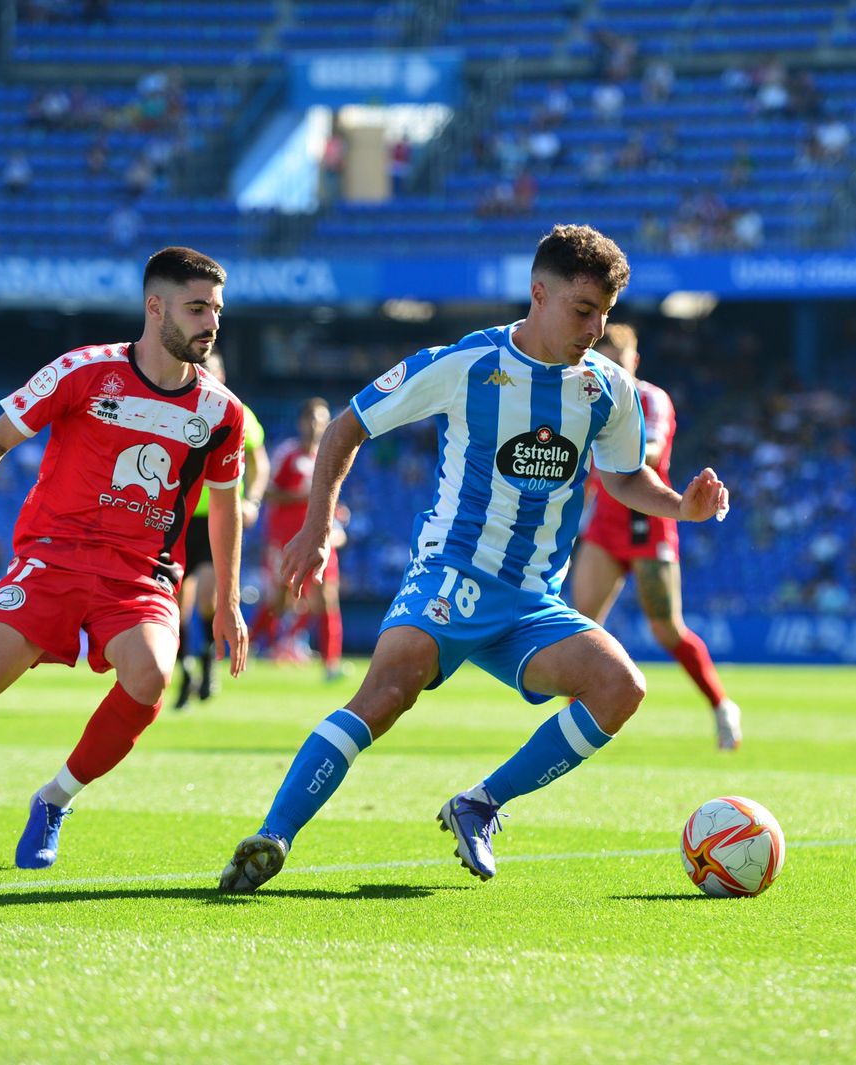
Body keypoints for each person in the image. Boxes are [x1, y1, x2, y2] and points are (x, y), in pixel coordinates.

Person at [219, 225, 730, 893]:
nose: (596, 327)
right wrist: (316, 528)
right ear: (538, 294)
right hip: (451, 573)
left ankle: (481, 804)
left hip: (530, 601)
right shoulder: (465, 363)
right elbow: (348, 425)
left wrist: (680, 506)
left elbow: (624, 474)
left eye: (605, 313)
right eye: (582, 310)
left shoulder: (608, 389)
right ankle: (273, 836)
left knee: (621, 687)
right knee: (385, 695)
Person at [0, 246, 249, 870]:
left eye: (217, 311)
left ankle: (55, 799)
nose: (211, 323)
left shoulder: (223, 413)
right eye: (197, 308)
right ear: (155, 307)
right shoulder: (82, 371)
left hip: (140, 577)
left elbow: (225, 510)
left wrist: (227, 602)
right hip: (53, 561)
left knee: (150, 678)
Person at [572, 323, 742, 749]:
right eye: (603, 360)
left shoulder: (651, 398)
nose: (611, 367)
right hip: (606, 525)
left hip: (648, 522)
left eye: (618, 359)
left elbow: (648, 451)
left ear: (635, 361)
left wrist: (604, 452)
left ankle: (722, 706)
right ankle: (573, 727)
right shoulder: (585, 395)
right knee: (579, 625)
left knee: (667, 629)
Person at [172, 351, 269, 709]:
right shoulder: (178, 409)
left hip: (219, 519)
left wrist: (253, 501)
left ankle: (209, 661)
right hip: (179, 521)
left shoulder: (240, 414)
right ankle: (184, 670)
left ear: (222, 374)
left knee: (208, 600)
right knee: (177, 603)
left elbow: (260, 463)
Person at [248, 398, 350, 681]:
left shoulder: (330, 457)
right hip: (286, 540)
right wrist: (304, 498)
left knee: (327, 598)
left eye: (322, 419)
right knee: (278, 601)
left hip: (319, 540)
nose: (316, 425)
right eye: (312, 419)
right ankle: (249, 645)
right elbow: (267, 492)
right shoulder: (288, 454)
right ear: (302, 422)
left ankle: (331, 664)